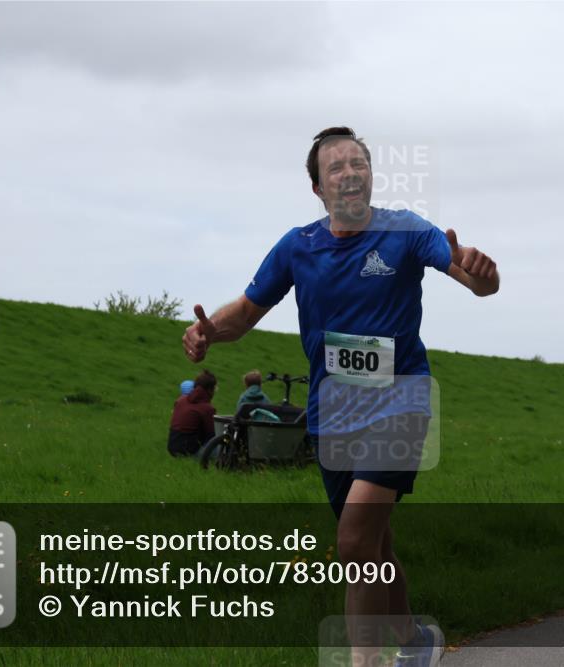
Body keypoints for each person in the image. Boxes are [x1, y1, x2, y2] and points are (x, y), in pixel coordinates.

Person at [183, 127, 498, 666]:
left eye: (359, 164)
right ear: (317, 188)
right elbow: (246, 311)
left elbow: (470, 277)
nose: (350, 173)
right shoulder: (298, 247)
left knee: (353, 543)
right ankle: (417, 643)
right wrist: (210, 332)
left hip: (401, 403)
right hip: (333, 416)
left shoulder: (406, 231)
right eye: (336, 167)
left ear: (371, 175)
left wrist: (479, 275)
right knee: (374, 546)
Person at [167, 370, 218, 457]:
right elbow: (212, 435)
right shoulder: (207, 408)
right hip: (190, 452)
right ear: (210, 389)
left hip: (172, 448)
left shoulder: (180, 400)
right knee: (221, 448)